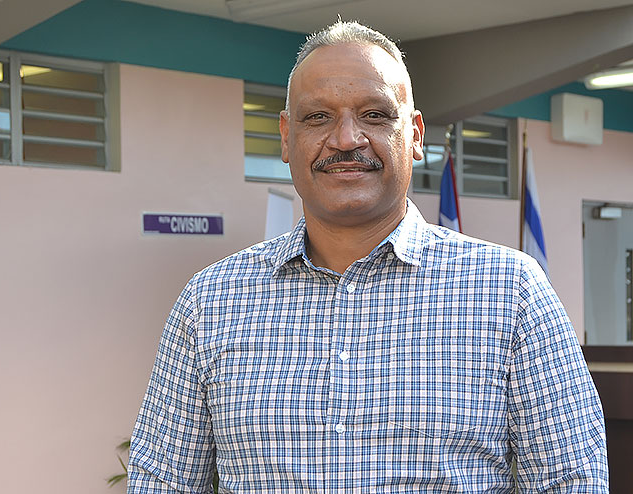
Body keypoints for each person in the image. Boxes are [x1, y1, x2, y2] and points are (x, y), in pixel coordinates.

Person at [128, 20, 608, 493]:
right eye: (317, 117)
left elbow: (573, 482)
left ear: (416, 134)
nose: (345, 139)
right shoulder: (210, 302)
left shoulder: (511, 292)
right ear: (285, 137)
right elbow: (160, 484)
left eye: (375, 115)